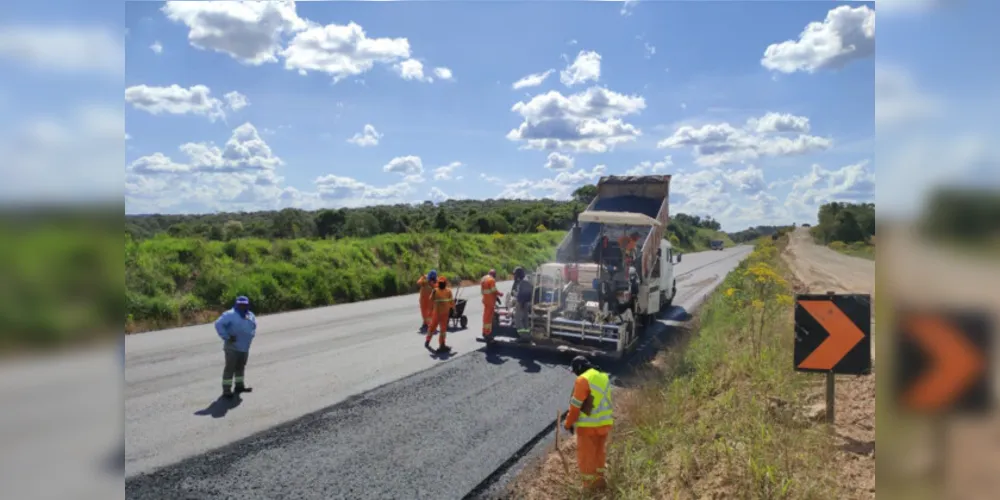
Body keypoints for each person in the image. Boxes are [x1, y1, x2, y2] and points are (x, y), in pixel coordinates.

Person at [561, 355, 614, 490]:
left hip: (588, 427)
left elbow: (575, 408)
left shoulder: (583, 380)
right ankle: (599, 481)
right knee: (599, 454)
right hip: (605, 423)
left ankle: (588, 488)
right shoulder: (603, 376)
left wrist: (567, 424)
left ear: (578, 369)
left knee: (586, 457)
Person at [214, 296, 257, 398]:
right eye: (240, 304)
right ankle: (226, 391)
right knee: (230, 368)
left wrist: (250, 335)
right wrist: (226, 337)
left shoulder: (250, 315)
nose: (242, 306)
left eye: (244, 304)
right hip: (232, 347)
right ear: (237, 304)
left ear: (247, 305)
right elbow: (218, 324)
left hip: (244, 347)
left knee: (240, 367)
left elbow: (253, 326)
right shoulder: (230, 314)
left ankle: (239, 386)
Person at [425, 276, 454, 354]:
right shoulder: (443, 291)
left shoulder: (441, 291)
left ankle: (435, 343)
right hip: (440, 314)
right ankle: (440, 344)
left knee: (437, 329)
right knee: (441, 330)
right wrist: (453, 309)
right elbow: (451, 303)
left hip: (440, 314)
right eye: (440, 283)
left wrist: (453, 309)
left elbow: (451, 302)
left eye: (442, 283)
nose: (441, 284)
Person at [479, 269, 503, 343]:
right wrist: (500, 294)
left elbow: (483, 291)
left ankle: (484, 331)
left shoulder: (483, 279)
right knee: (489, 318)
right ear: (494, 275)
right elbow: (493, 290)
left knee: (485, 316)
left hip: (485, 300)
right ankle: (487, 334)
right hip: (490, 302)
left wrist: (496, 297)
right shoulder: (491, 280)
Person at [511, 267, 533, 341]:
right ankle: (527, 336)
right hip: (525, 303)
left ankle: (523, 337)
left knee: (518, 321)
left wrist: (520, 303)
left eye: (515, 275)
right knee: (525, 320)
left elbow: (523, 294)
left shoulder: (523, 282)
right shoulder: (526, 281)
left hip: (521, 303)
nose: (514, 276)